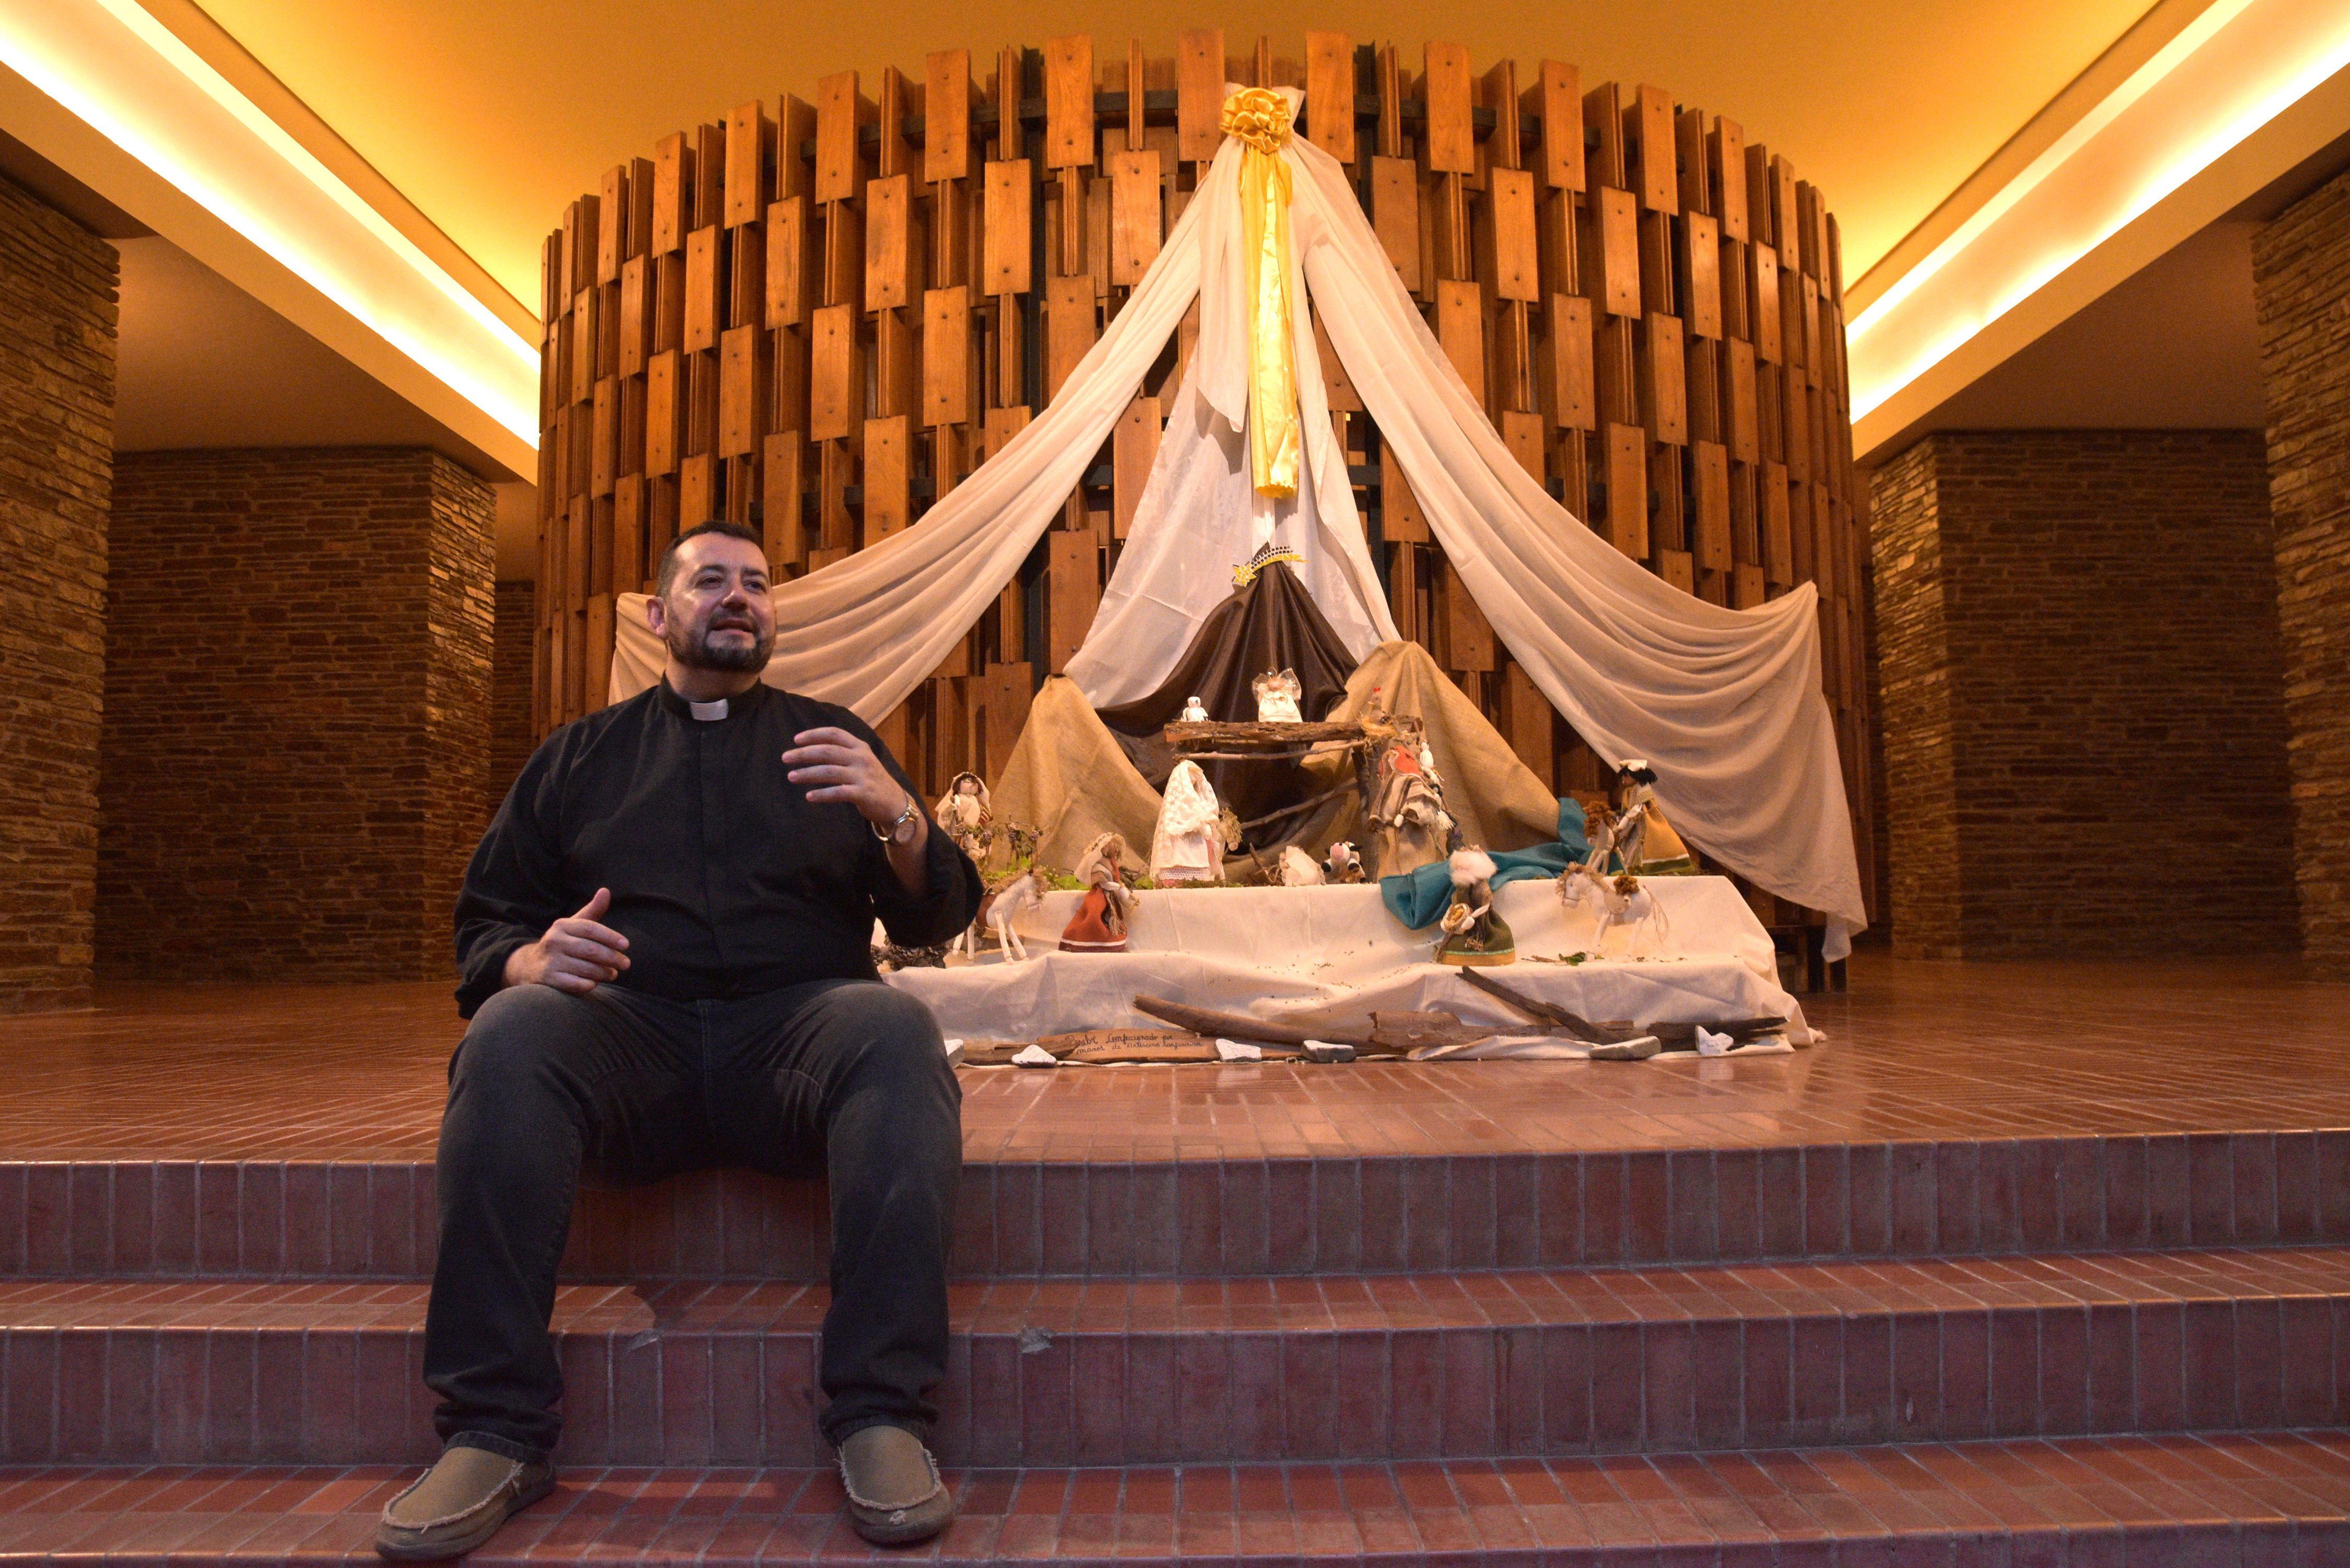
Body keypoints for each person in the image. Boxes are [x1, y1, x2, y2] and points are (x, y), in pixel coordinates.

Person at [375, 523, 982, 1560]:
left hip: (797, 1042)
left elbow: (936, 917)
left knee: (894, 1026)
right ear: (659, 615)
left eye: (757, 583)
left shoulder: (834, 743)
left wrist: (903, 820)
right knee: (512, 1034)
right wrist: (528, 961)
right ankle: (492, 1429)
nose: (739, 597)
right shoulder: (578, 758)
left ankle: (882, 1414)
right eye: (711, 581)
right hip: (629, 1048)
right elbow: (486, 923)